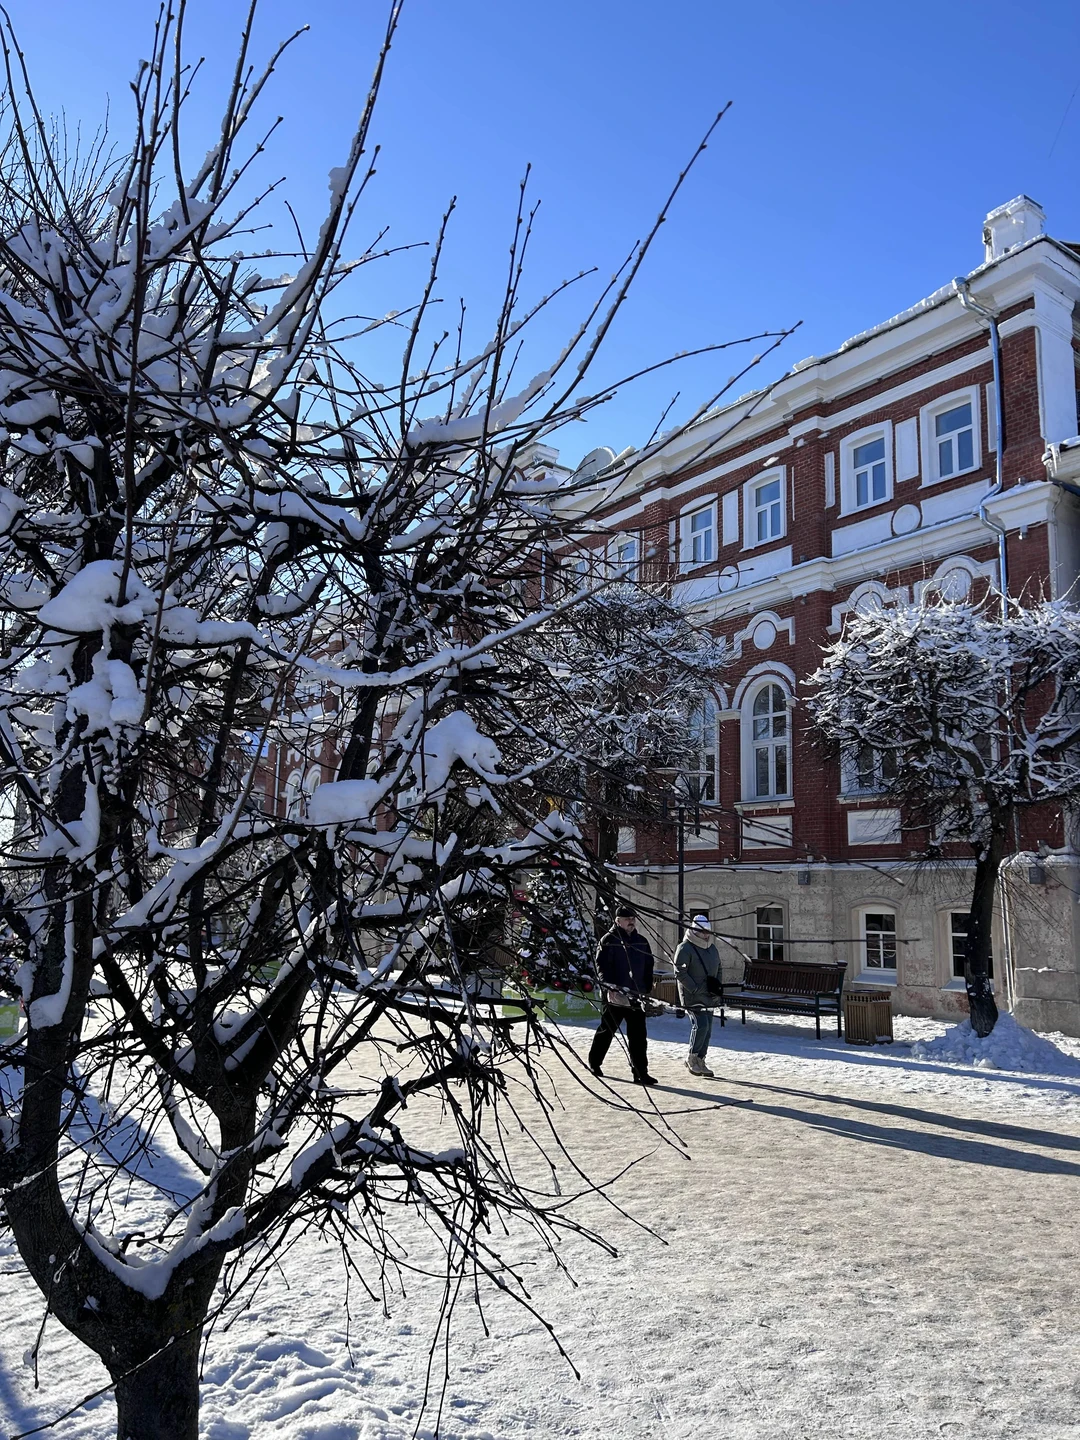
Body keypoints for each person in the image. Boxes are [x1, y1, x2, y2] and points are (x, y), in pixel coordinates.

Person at [588, 904, 658, 1086]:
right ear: (618, 921)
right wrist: (610, 987)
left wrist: (646, 987)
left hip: (636, 995)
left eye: (633, 919)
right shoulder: (608, 940)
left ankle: (641, 1073)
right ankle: (594, 1063)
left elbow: (649, 964)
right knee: (607, 1031)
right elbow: (601, 966)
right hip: (615, 995)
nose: (631, 922)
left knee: (638, 1036)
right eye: (627, 919)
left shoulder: (641, 941)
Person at [673, 913, 723, 1077]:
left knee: (707, 1029)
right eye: (703, 932)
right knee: (700, 1025)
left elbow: (719, 968)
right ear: (694, 931)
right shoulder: (685, 948)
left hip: (709, 995)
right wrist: (693, 988)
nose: (706, 935)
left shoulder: (712, 948)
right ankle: (692, 1058)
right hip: (693, 996)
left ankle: (701, 1059)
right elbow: (680, 972)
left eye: (707, 932)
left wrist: (717, 989)